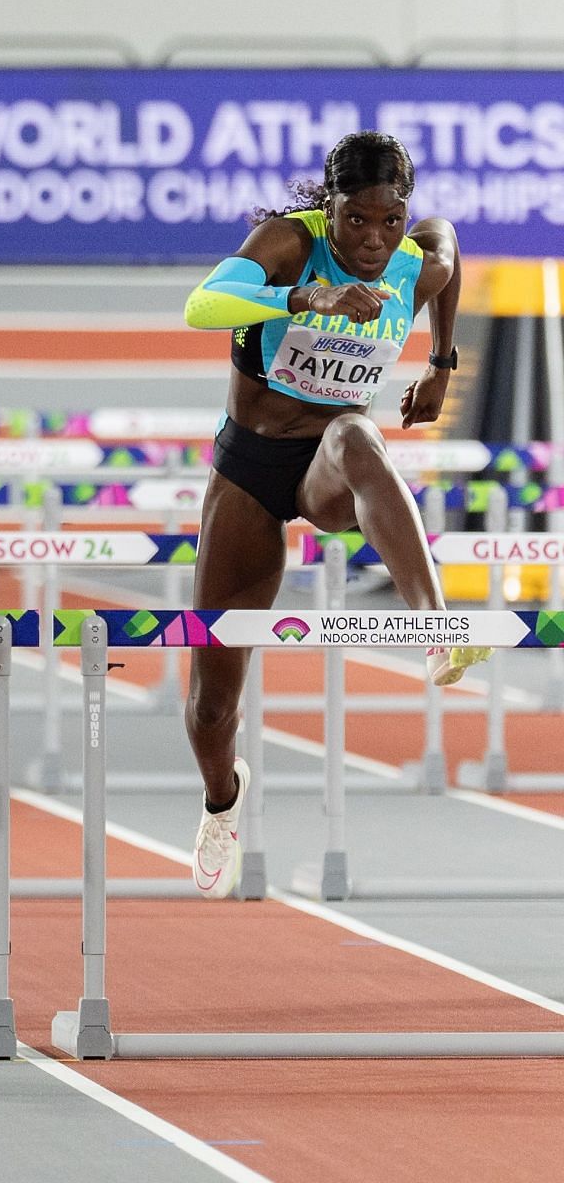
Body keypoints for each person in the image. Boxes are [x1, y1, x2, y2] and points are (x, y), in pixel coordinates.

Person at [180, 130, 479, 898]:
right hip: (250, 466)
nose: (373, 240)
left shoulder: (417, 257)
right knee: (212, 702)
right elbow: (201, 305)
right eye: (356, 221)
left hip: (329, 468)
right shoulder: (287, 243)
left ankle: (434, 624)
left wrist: (441, 365)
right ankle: (221, 801)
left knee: (358, 434)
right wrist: (305, 295)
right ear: (331, 205)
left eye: (389, 220)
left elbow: (446, 252)